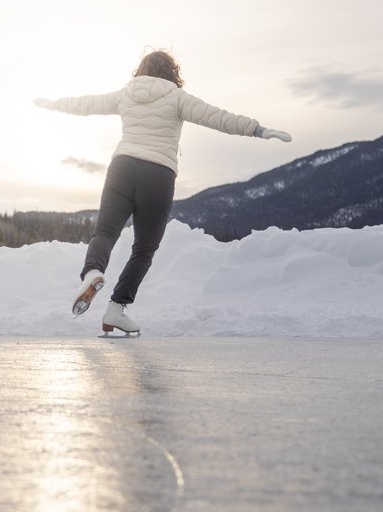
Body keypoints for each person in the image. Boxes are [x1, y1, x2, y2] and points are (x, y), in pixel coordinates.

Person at [34, 50, 291, 336]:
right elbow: (217, 117)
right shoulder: (177, 97)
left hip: (121, 167)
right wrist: (257, 130)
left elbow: (86, 104)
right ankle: (116, 308)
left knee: (105, 232)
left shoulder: (126, 94)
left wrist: (53, 104)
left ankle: (92, 272)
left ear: (141, 71)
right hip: (158, 175)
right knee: (144, 248)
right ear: (172, 73)